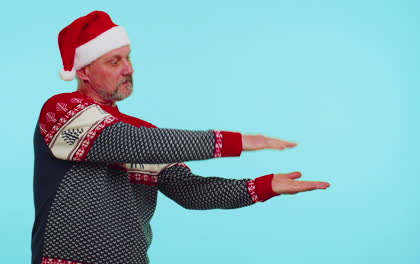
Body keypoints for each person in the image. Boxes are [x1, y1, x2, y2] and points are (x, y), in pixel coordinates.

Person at [31, 10, 330, 264]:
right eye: (114, 61)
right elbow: (125, 143)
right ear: (83, 71)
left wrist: (264, 186)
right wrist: (235, 142)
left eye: (129, 58)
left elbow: (192, 192)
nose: (129, 69)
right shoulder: (61, 111)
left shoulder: (146, 133)